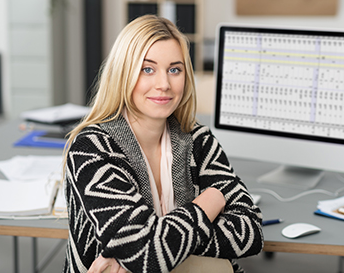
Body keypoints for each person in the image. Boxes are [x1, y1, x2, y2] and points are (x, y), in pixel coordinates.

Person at [62, 14, 263, 273]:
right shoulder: (91, 148)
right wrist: (211, 201)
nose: (164, 84)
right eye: (147, 69)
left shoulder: (198, 139)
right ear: (123, 73)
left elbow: (250, 231)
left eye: (174, 69)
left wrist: (154, 243)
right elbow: (146, 253)